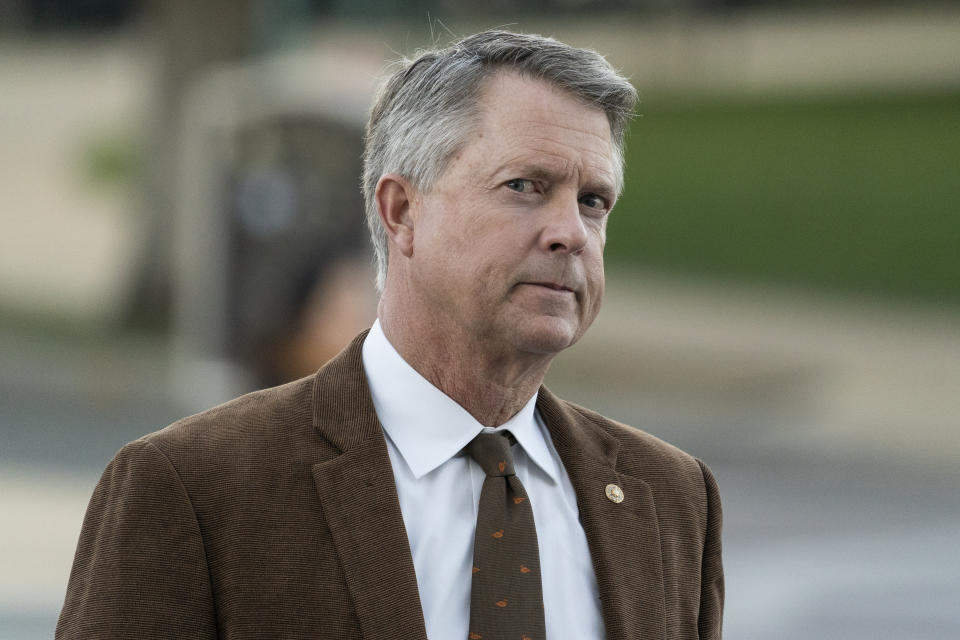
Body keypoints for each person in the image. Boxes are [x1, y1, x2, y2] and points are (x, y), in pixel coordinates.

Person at [57, 30, 723, 640]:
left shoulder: (670, 497)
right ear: (401, 212)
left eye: (592, 201)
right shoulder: (195, 488)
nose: (570, 233)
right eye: (525, 186)